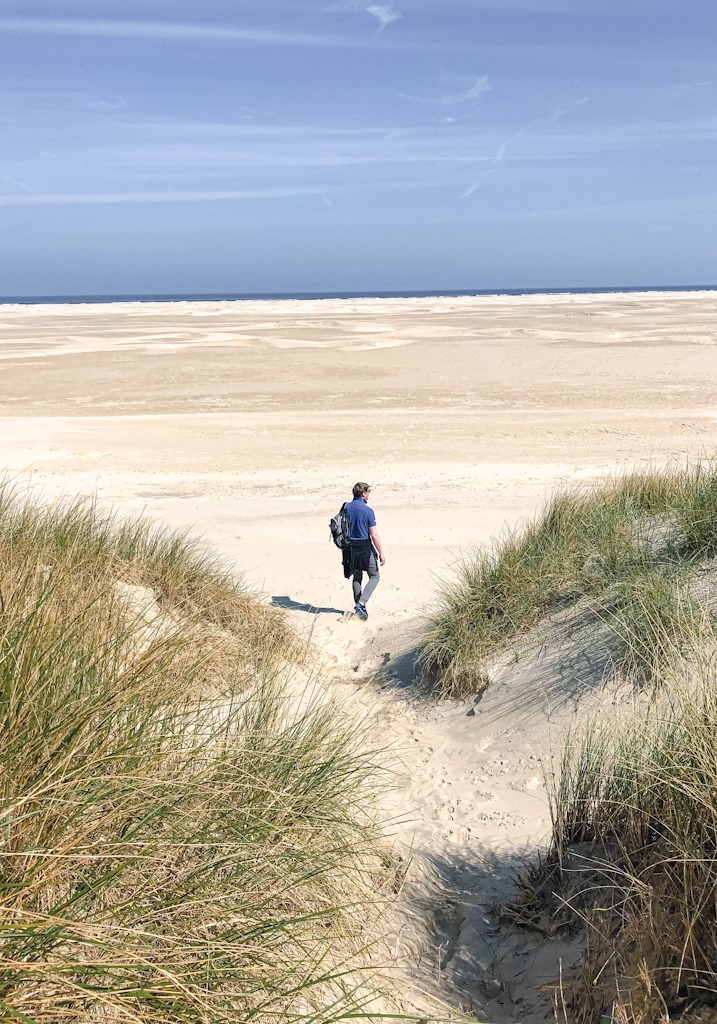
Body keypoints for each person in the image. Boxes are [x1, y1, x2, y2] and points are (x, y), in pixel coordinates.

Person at [344, 482, 385, 620]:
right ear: (363, 494)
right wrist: (381, 553)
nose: (369, 495)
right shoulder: (368, 511)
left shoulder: (346, 507)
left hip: (351, 547)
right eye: (368, 492)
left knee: (357, 576)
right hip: (365, 548)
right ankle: (361, 604)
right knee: (374, 576)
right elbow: (374, 535)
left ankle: (358, 608)